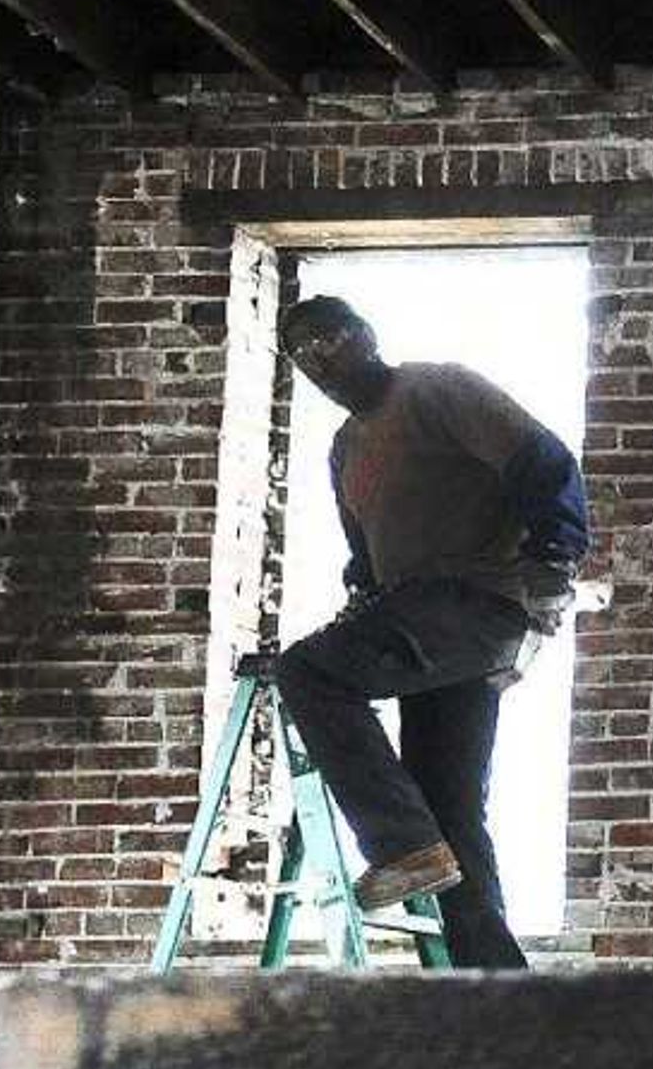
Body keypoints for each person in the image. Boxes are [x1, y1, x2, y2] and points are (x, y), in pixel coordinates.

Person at [248, 292, 588, 971]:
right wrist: (362, 604)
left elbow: (542, 460)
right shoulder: (346, 449)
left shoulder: (436, 389)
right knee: (449, 807)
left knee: (308, 672)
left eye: (328, 339)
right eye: (301, 354)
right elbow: (367, 561)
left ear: (365, 335)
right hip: (419, 620)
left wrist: (554, 554)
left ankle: (401, 848)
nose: (318, 360)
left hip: (472, 602)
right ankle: (496, 993)